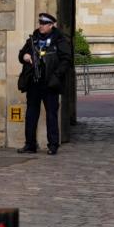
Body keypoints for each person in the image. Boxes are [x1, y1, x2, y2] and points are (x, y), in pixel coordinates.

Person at [17, 12, 72, 155]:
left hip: (50, 82)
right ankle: (30, 144)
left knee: (51, 115)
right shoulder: (33, 38)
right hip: (34, 82)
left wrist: (56, 76)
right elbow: (21, 54)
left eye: (44, 24)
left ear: (51, 25)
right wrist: (25, 55)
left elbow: (66, 59)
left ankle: (53, 145)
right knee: (31, 114)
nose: (41, 26)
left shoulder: (59, 39)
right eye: (40, 23)